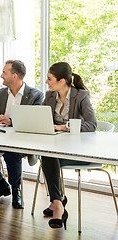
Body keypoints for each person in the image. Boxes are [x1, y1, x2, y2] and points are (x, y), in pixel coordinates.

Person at [0, 60, 44, 209]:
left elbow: (34, 120)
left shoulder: (35, 95)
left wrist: (11, 121)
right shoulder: (0, 93)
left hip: (22, 140)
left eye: (4, 73)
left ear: (15, 76)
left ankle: (16, 191)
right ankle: (2, 184)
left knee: (11, 154)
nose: (1, 76)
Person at [41, 62, 97, 229]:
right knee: (48, 154)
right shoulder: (50, 96)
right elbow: (42, 118)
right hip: (55, 146)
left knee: (48, 157)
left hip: (76, 149)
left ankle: (56, 203)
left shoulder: (80, 96)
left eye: (50, 78)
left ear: (62, 81)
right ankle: (58, 203)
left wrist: (64, 127)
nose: (46, 82)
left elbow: (92, 124)